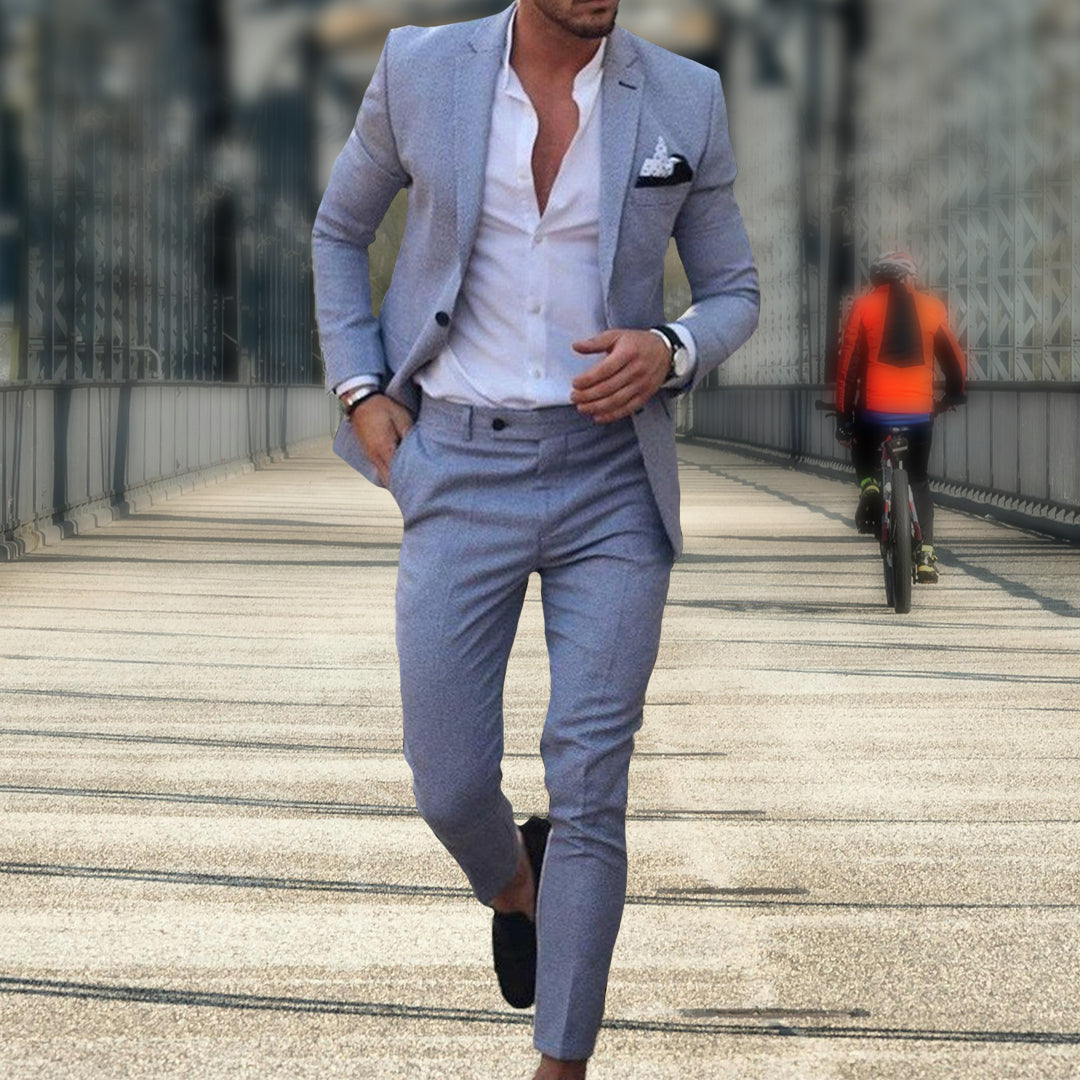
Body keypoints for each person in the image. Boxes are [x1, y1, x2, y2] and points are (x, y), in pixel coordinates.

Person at [312, 2, 758, 1076]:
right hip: (458, 464)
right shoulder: (421, 71)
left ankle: (562, 1062)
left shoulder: (686, 97)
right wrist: (362, 391)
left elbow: (734, 291)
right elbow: (337, 232)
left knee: (591, 781)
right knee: (449, 782)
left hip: (613, 478)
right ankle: (519, 887)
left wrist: (671, 347)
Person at [834, 251, 966, 584]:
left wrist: (843, 416)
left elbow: (848, 367)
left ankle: (869, 486)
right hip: (919, 411)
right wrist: (954, 394)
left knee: (863, 444)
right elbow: (953, 360)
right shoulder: (932, 307)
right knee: (918, 478)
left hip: (875, 410)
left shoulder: (863, 307)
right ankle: (926, 556)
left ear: (876, 278)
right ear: (909, 279)